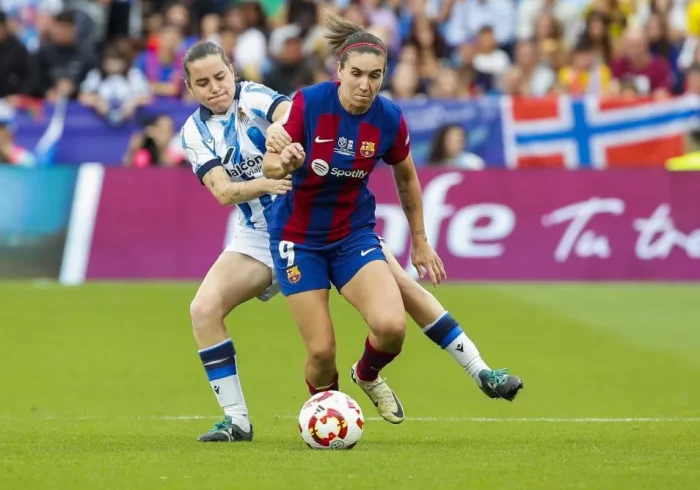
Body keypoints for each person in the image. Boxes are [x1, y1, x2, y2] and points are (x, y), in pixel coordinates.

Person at [182, 36, 523, 442]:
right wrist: (272, 173)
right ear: (190, 89)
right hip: (269, 233)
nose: (215, 88)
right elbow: (223, 191)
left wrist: (280, 133)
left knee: (400, 305)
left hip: (340, 225)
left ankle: (476, 370)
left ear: (233, 73)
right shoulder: (194, 133)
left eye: (220, 77)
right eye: (203, 84)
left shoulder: (256, 97)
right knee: (204, 309)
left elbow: (289, 113)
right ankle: (237, 421)